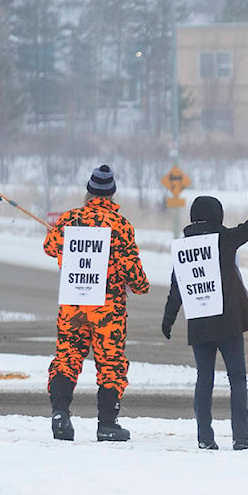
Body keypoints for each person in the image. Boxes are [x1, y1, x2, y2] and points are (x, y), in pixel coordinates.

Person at [43, 164, 150, 442]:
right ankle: (107, 424)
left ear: (89, 192)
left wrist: (62, 233)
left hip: (73, 304)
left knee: (67, 358)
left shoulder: (69, 220)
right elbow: (133, 273)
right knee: (110, 365)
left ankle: (60, 414)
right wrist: (142, 286)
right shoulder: (121, 226)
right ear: (112, 194)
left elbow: (49, 247)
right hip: (107, 311)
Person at [161, 196, 248, 451]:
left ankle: (204, 437)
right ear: (218, 215)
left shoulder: (185, 248)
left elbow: (177, 287)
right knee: (237, 379)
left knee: (204, 379)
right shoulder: (225, 240)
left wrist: (169, 317)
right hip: (228, 321)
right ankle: (242, 437)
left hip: (199, 322)